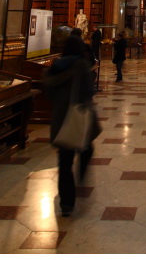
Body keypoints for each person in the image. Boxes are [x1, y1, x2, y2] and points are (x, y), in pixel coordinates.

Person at [42, 36, 98, 217]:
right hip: (78, 117)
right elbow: (89, 91)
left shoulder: (55, 66)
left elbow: (48, 92)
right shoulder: (81, 65)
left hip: (61, 119)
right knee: (86, 148)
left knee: (64, 163)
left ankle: (66, 202)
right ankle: (80, 180)